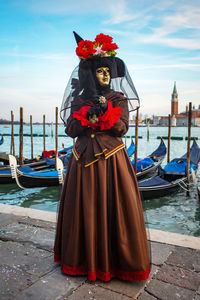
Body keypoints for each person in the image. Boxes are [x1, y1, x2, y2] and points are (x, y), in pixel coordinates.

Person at [54, 32, 150, 282]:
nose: (106, 75)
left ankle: (116, 264)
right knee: (81, 210)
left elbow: (121, 128)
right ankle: (81, 262)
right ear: (90, 74)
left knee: (116, 210)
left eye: (108, 71)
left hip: (112, 161)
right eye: (100, 71)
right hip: (83, 159)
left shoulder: (119, 99)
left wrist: (105, 112)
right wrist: (86, 115)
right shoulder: (79, 99)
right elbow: (72, 130)